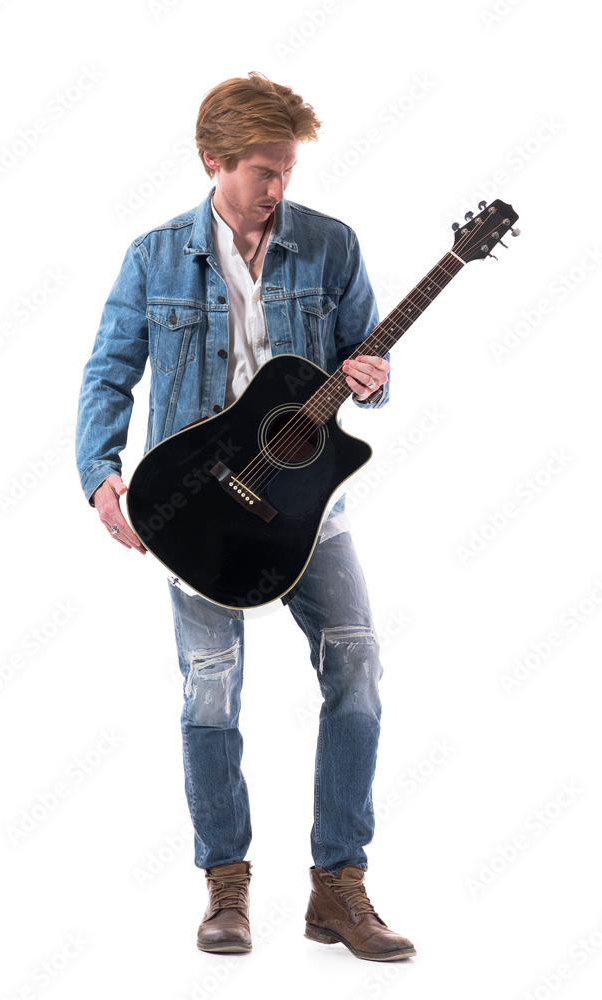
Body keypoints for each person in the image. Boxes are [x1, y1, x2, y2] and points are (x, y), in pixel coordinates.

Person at [76, 72, 415, 963]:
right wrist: (99, 474)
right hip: (197, 512)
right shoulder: (154, 258)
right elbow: (109, 370)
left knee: (359, 668)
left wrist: (373, 380)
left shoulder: (332, 246)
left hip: (310, 511)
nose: (277, 188)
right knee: (210, 691)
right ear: (212, 163)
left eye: (288, 169)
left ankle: (337, 887)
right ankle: (225, 885)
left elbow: (364, 359)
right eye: (262, 170)